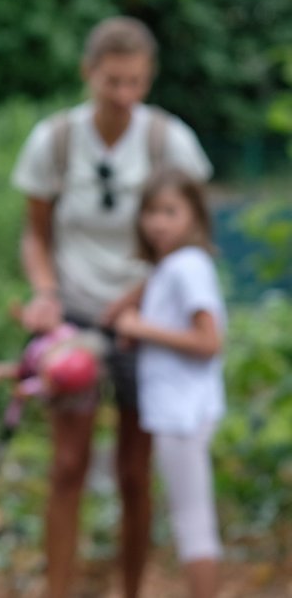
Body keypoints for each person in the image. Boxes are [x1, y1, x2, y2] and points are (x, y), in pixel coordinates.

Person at [10, 16, 213, 598]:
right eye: (112, 82)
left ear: (148, 79)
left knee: (133, 470)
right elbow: (35, 235)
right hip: (75, 319)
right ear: (88, 74)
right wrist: (45, 293)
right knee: (69, 464)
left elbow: (192, 235)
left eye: (135, 83)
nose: (124, 95)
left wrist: (140, 298)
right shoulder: (57, 140)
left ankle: (133, 588)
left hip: (147, 321)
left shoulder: (167, 141)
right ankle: (60, 589)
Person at [115, 168, 225, 598]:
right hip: (177, 411)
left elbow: (208, 340)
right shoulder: (171, 268)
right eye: (150, 211)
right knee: (189, 519)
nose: (157, 222)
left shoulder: (187, 268)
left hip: (184, 413)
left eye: (170, 211)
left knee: (193, 522)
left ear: (195, 217)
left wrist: (140, 328)